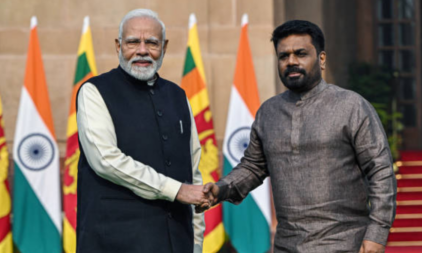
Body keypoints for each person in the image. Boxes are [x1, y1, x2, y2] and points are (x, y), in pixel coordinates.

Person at [201, 20, 397, 253]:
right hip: (288, 245)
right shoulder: (268, 113)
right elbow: (253, 167)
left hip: (345, 243)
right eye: (283, 56)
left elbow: (381, 171)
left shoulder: (351, 106)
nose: (291, 61)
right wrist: (220, 189)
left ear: (322, 59)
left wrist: (377, 233)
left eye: (301, 53)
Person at [76, 9, 209, 253]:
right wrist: (176, 190)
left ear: (164, 47)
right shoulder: (94, 91)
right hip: (114, 242)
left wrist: (196, 244)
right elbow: (105, 159)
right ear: (118, 45)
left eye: (151, 42)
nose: (142, 50)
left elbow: (193, 173)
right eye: (133, 42)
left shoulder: (178, 96)